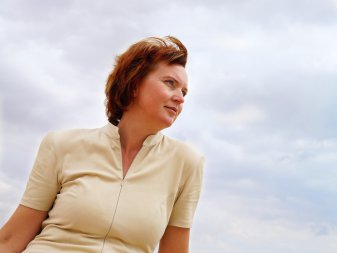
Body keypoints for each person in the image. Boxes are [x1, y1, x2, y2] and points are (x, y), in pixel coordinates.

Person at [0, 36, 204, 253]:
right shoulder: (61, 145)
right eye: (170, 83)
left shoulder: (187, 163)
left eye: (184, 92)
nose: (180, 98)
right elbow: (12, 239)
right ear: (134, 84)